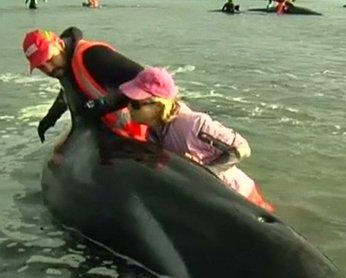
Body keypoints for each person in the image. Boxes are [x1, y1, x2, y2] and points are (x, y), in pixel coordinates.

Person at [116, 67, 275, 212]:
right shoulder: (153, 129)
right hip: (209, 196)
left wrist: (205, 172)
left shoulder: (193, 124)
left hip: (240, 196)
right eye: (128, 101)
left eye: (135, 104)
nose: (129, 108)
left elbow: (241, 147)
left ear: (158, 106)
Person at [22, 27, 147, 142]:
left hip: (138, 134)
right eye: (41, 67)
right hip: (107, 132)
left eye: (49, 59)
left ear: (60, 44)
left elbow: (147, 79)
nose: (49, 69)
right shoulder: (64, 65)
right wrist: (51, 117)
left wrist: (106, 103)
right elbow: (70, 91)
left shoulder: (93, 55)